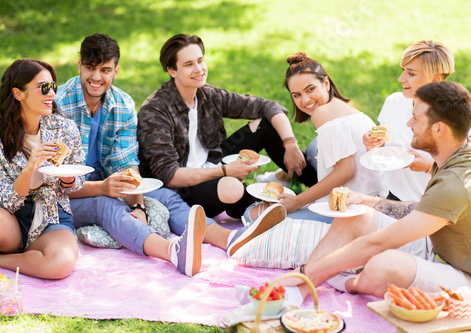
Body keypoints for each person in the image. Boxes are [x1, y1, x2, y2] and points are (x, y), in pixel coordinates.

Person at [54, 33, 285, 277]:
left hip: (112, 184)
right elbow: (52, 181)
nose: (97, 77)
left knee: (167, 198)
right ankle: (173, 252)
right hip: (66, 194)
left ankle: (232, 239)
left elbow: (127, 165)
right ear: (79, 66)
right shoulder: (58, 104)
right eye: (90, 69)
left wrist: (139, 205)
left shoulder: (121, 104)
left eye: (105, 69)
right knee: (106, 205)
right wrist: (103, 188)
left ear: (116, 71)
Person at [284, 81, 471, 298]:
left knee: (385, 264)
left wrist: (306, 270)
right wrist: (364, 200)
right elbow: (422, 210)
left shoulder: (454, 182)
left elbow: (379, 242)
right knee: (355, 216)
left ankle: (348, 284)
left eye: (416, 118)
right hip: (436, 247)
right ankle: (299, 291)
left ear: (439, 129)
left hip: (462, 275)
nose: (409, 123)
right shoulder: (452, 154)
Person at [137, 34, 317, 219]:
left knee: (265, 125)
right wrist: (224, 172)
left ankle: (321, 186)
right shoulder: (155, 111)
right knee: (232, 188)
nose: (199, 69)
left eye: (200, 60)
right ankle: (260, 205)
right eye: (189, 64)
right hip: (182, 189)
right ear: (172, 70)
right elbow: (170, 175)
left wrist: (290, 144)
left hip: (213, 163)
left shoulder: (208, 95)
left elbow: (268, 106)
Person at [243, 52, 386, 224]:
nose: (305, 100)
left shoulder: (322, 113)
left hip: (350, 210)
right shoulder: (345, 108)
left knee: (250, 213)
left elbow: (346, 172)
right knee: (314, 147)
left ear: (326, 83)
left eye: (310, 89)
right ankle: (284, 177)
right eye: (296, 95)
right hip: (374, 199)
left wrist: (297, 201)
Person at [0, 59, 84, 279]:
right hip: (10, 218)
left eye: (53, 86)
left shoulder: (65, 129)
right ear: (18, 93)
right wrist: (29, 170)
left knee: (61, 264)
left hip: (53, 216)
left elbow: (77, 182)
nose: (51, 93)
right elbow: (3, 199)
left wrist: (70, 178)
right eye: (43, 87)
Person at [364, 40, 454, 202]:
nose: (400, 78)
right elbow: (386, 148)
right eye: (403, 70)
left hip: (431, 205)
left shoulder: (453, 118)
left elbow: (462, 173)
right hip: (393, 197)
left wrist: (428, 167)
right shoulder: (394, 102)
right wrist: (374, 144)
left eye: (411, 74)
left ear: (435, 80)